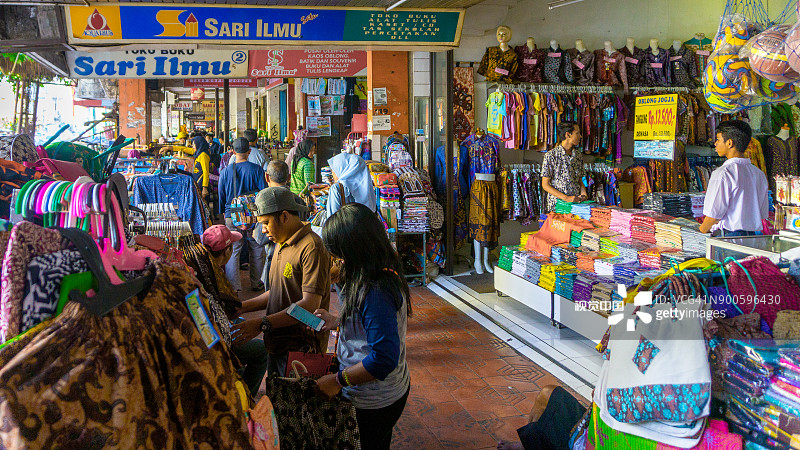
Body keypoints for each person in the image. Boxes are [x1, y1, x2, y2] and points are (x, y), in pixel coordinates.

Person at [314, 203, 411, 450]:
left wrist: (337, 380)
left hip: (374, 400)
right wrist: (338, 321)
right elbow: (368, 324)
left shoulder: (376, 290)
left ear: (356, 250)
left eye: (339, 254)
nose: (337, 260)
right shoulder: (375, 270)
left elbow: (383, 359)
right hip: (380, 392)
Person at [231, 187, 330, 377]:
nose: (263, 229)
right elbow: (277, 291)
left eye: (266, 222)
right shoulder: (280, 242)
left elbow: (309, 305)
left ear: (284, 216)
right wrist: (242, 307)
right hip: (277, 342)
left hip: (301, 350)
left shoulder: (311, 248)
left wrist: (262, 324)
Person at [202, 225, 270, 398]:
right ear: (227, 251)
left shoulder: (207, 268)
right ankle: (245, 397)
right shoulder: (211, 274)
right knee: (262, 350)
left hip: (214, 331)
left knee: (240, 324)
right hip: (215, 339)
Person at [699, 119, 769, 236]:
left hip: (728, 238)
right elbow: (762, 213)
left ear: (729, 143)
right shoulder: (758, 173)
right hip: (751, 237)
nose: (715, 143)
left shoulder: (723, 173)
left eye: (718, 140)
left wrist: (700, 232)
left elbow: (713, 216)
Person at [218, 137, 268, 292]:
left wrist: (224, 213)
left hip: (232, 215)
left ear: (232, 151)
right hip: (253, 216)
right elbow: (263, 194)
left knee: (233, 250)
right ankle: (256, 282)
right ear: (249, 151)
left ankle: (235, 286)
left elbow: (221, 194)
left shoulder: (226, 171)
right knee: (257, 247)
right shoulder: (257, 169)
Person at [257, 160, 309, 289]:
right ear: (289, 177)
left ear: (267, 177)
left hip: (275, 257)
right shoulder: (298, 201)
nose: (264, 229)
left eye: (265, 224)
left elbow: (259, 238)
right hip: (297, 260)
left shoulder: (265, 201)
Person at [541, 121, 588, 213]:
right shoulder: (551, 156)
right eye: (577, 133)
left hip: (576, 205)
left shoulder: (578, 156)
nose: (580, 136)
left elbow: (580, 180)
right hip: (557, 205)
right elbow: (545, 185)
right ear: (568, 134)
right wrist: (566, 198)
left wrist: (583, 193)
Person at [326, 151, 376, 218]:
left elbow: (331, 220)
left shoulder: (336, 189)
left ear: (343, 170)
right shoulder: (369, 190)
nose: (332, 174)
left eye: (334, 170)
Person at [191, 135, 212, 200]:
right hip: (199, 184)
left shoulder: (203, 155)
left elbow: (206, 172)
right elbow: (186, 149)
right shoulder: (198, 153)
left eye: (194, 145)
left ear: (198, 144)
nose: (193, 147)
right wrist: (169, 148)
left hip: (202, 185)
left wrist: (204, 188)